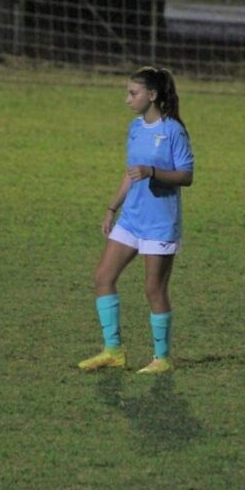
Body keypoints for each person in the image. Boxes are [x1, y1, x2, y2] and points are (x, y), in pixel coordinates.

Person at [78, 66, 194, 375]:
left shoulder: (173, 131)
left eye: (133, 93)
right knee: (103, 277)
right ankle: (113, 351)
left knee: (153, 290)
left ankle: (162, 358)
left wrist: (153, 172)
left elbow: (186, 176)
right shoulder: (134, 128)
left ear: (152, 95)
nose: (127, 99)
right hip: (131, 218)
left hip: (159, 223)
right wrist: (112, 208)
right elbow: (130, 174)